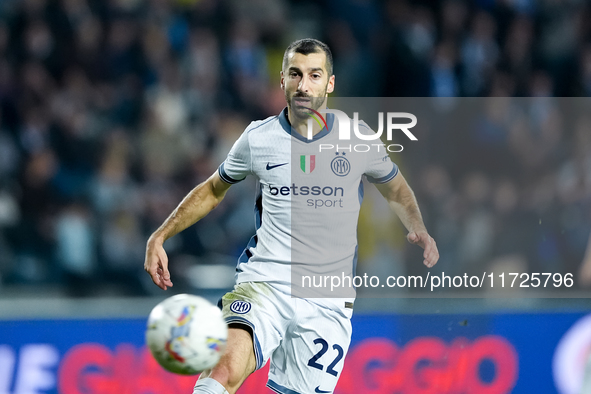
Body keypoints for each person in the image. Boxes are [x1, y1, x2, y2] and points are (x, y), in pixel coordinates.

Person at [144, 38, 439, 394]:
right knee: (221, 372)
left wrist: (417, 227)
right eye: (295, 74)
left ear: (330, 84)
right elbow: (212, 188)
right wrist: (160, 235)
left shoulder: (358, 139)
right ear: (282, 80)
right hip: (265, 283)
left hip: (328, 298)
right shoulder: (258, 138)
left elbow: (394, 186)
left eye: (315, 75)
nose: (304, 84)